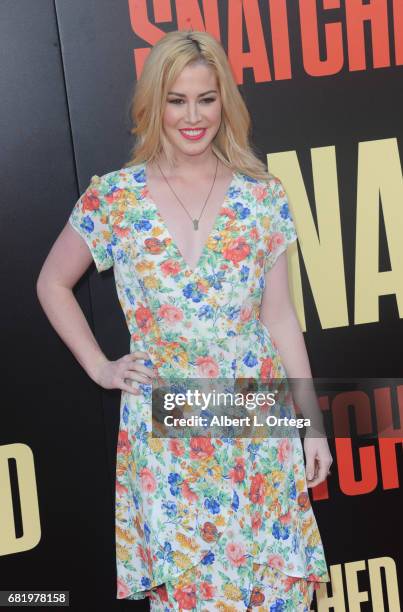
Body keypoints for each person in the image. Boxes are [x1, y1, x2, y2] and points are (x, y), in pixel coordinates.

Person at [36, 29, 333, 612]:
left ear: (225, 102)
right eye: (177, 99)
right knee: (190, 596)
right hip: (170, 437)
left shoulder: (262, 195)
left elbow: (278, 316)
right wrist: (101, 367)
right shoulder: (115, 199)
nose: (192, 116)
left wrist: (312, 423)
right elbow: (52, 282)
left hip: (256, 426)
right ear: (153, 105)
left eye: (206, 98)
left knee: (271, 592)